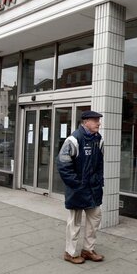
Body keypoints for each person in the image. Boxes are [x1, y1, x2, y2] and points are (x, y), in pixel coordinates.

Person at [56, 110, 105, 264]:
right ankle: (70, 253)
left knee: (95, 217)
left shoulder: (99, 139)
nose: (99, 123)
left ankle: (88, 250)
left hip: (93, 188)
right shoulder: (74, 139)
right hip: (78, 188)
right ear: (85, 122)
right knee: (74, 222)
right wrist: (76, 184)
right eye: (95, 120)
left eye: (98, 120)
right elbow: (63, 164)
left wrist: (98, 180)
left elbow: (100, 164)